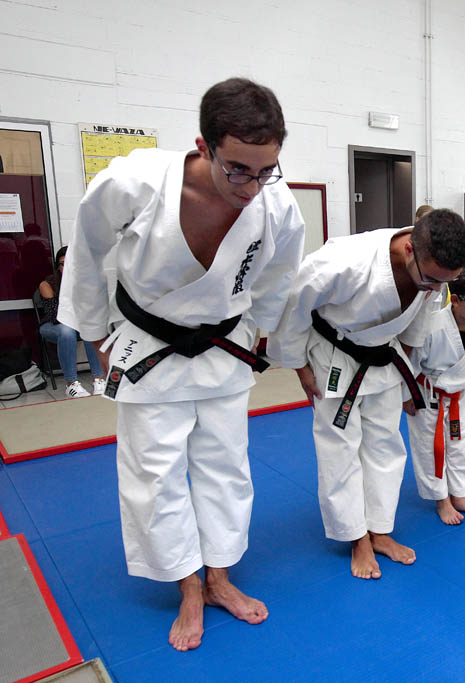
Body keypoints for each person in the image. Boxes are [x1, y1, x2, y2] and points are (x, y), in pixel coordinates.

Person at [58, 78, 306, 651]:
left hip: (224, 346)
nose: (251, 186)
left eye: (265, 170)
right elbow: (88, 252)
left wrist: (260, 332)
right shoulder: (134, 182)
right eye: (237, 169)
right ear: (203, 147)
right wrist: (94, 333)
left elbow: (278, 278)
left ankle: (218, 578)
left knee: (226, 467)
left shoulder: (277, 204)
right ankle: (187, 587)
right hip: (148, 345)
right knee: (155, 475)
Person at [270, 210, 465, 581]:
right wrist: (299, 367)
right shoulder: (342, 262)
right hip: (334, 355)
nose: (434, 289)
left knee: (386, 445)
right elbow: (294, 307)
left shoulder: (433, 274)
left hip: (384, 359)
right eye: (430, 279)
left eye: (444, 282)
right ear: (409, 249)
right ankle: (355, 537)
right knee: (340, 449)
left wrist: (407, 378)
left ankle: (379, 530)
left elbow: (418, 324)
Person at [406, 261, 465, 525]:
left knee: (459, 444)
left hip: (459, 396)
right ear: (455, 300)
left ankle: (459, 494)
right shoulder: (431, 326)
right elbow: (410, 363)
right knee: (431, 448)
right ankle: (441, 499)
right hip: (428, 395)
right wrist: (407, 395)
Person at [38, 246, 106, 396]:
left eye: (70, 263)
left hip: (77, 323)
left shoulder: (83, 283)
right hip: (53, 324)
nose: (67, 267)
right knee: (66, 331)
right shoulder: (47, 284)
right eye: (63, 264)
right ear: (57, 266)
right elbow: (56, 316)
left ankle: (98, 379)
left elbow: (92, 310)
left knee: (90, 328)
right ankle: (71, 384)